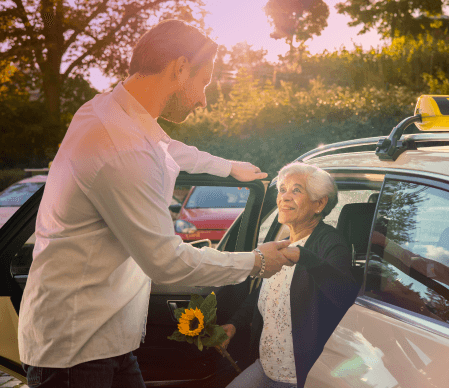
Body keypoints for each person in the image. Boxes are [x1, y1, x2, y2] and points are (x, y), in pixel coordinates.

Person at [18, 20, 293, 388]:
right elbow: (166, 262)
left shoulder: (110, 112)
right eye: (205, 82)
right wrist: (257, 262)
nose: (203, 99)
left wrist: (228, 168)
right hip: (77, 353)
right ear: (180, 67)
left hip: (102, 339)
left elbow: (166, 147)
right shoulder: (118, 146)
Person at [220, 163, 360, 388]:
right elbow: (267, 290)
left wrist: (303, 257)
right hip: (266, 366)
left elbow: (343, 294)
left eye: (296, 190)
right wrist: (235, 324)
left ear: (320, 203)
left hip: (300, 377)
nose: (284, 197)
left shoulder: (330, 243)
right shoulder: (281, 242)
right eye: (282, 189)